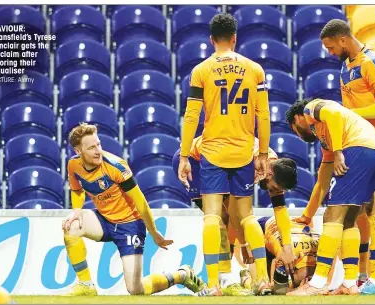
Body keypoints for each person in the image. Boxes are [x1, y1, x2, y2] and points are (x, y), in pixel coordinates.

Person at [177, 13, 272, 296]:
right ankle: (263, 280)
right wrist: (263, 153)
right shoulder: (255, 69)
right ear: (234, 38)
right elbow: (263, 115)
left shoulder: (201, 70)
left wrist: (184, 156)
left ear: (211, 40)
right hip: (244, 152)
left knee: (212, 218)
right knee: (246, 217)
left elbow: (191, 116)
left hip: (212, 153)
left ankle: (214, 285)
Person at [62, 123, 204, 296]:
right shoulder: (73, 165)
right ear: (78, 152)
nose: (98, 150)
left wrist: (154, 232)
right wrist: (77, 211)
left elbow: (141, 203)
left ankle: (182, 275)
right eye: (92, 147)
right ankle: (86, 285)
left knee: (136, 289)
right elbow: (76, 190)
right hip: (105, 220)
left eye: (98, 144)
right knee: (71, 226)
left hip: (130, 224)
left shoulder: (116, 167)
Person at [315, 19, 375, 294]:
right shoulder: (345, 66)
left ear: (342, 39)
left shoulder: (371, 62)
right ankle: (358, 277)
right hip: (358, 144)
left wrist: (349, 115)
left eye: (330, 47)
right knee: (356, 212)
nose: (328, 52)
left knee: (374, 210)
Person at [285, 98, 375, 296]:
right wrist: (307, 215)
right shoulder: (327, 140)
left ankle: (317, 283)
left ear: (299, 117)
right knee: (351, 219)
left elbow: (333, 114)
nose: (298, 136)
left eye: (295, 129)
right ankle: (350, 283)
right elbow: (322, 183)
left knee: (332, 216)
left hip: (358, 148)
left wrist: (339, 152)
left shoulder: (311, 108)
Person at [172, 136, 298, 294]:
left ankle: (227, 278)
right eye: (275, 188)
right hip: (193, 160)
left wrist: (288, 248)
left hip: (218, 158)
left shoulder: (272, 164)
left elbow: (280, 208)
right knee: (219, 216)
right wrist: (244, 245)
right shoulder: (253, 165)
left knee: (228, 217)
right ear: (270, 174)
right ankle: (224, 279)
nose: (273, 192)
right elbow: (234, 212)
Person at [239, 217, 320, 295]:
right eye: (296, 282)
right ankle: (246, 278)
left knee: (276, 284)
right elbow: (279, 289)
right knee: (261, 285)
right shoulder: (288, 258)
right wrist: (296, 290)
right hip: (265, 226)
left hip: (289, 225)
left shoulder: (321, 261)